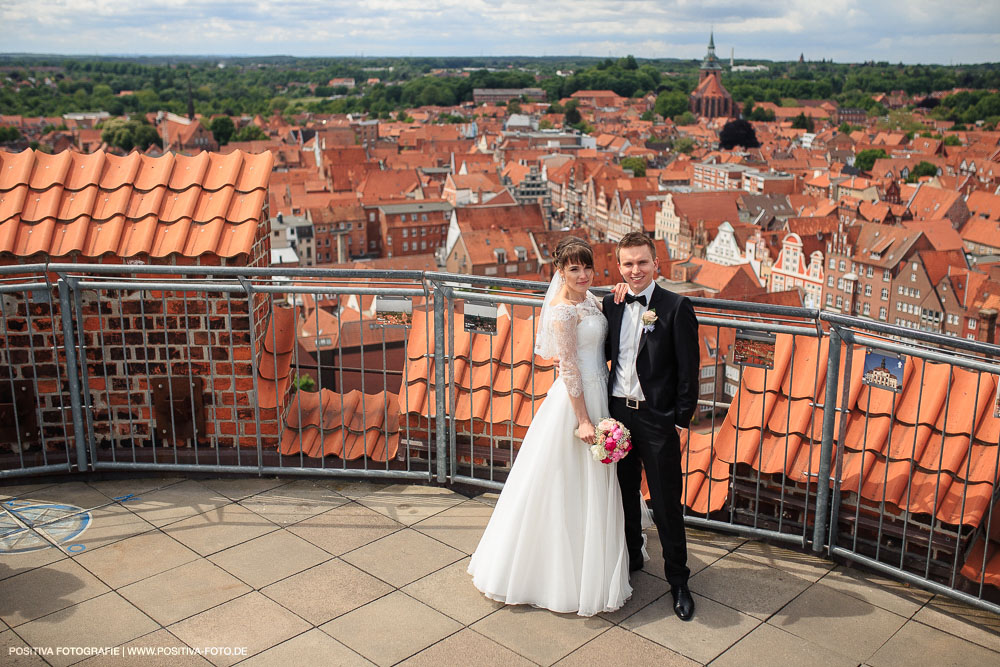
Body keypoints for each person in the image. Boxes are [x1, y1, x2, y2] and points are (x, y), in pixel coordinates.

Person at [468, 237, 632, 616]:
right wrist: (584, 421)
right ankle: (556, 573)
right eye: (574, 269)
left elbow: (605, 323)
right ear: (560, 272)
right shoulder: (561, 311)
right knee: (564, 483)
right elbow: (569, 368)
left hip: (599, 394)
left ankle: (594, 562)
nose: (583, 274)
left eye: (587, 267)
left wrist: (619, 290)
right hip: (576, 404)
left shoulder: (590, 299)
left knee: (590, 484)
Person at [604, 232, 700, 621]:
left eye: (641, 262)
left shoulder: (676, 307)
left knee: (664, 504)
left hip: (656, 419)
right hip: (617, 417)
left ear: (656, 264)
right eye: (627, 264)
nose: (635, 270)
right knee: (624, 493)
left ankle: (678, 580)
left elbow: (688, 372)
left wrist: (678, 421)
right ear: (619, 267)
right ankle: (631, 560)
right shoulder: (611, 304)